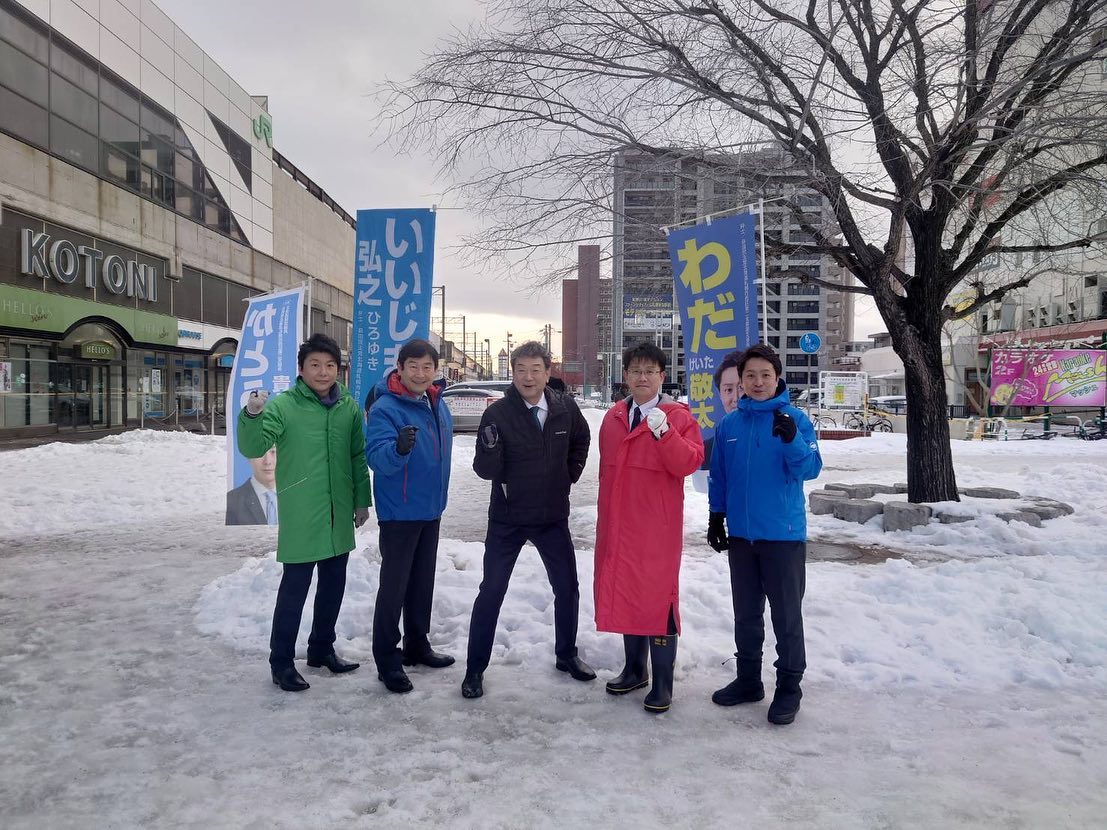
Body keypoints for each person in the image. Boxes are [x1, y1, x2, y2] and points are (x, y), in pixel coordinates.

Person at [237, 332, 372, 693]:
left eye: (329, 365)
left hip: (338, 511)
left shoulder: (347, 407)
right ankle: (280, 662)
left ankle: (321, 649)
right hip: (302, 510)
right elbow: (254, 445)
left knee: (333, 585)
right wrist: (252, 414)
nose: (323, 372)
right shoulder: (284, 405)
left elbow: (357, 456)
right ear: (301, 369)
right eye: (315, 364)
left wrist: (362, 499)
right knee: (294, 589)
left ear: (338, 369)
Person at [461, 340, 593, 699]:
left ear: (548, 373)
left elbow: (582, 439)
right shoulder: (498, 414)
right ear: (513, 373)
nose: (528, 377)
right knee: (492, 590)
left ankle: (566, 655)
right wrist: (490, 450)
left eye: (536, 370)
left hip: (552, 515)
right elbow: (484, 471)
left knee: (567, 587)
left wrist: (570, 473)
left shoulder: (565, 408)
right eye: (521, 370)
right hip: (509, 518)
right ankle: (475, 669)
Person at [707, 343, 822, 724]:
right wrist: (716, 517)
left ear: (777, 378)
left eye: (765, 375)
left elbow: (810, 469)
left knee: (786, 617)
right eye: (750, 376)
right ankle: (748, 680)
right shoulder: (730, 425)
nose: (758, 382)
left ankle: (789, 687)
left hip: (783, 536)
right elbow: (720, 476)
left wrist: (792, 441)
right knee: (746, 614)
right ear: (740, 381)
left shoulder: (795, 419)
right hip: (742, 537)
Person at [594, 343, 703, 714]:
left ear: (662, 376)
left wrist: (665, 433)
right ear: (626, 375)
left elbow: (688, 463)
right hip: (618, 525)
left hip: (657, 529)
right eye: (636, 371)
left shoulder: (677, 416)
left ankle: (662, 683)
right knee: (627, 591)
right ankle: (635, 670)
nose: (642, 377)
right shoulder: (613, 418)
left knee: (659, 600)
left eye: (650, 371)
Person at [364, 338, 454, 694]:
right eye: (412, 366)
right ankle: (387, 660)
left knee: (421, 583)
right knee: (394, 588)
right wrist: (398, 448)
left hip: (431, 508)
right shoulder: (386, 407)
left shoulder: (436, 402)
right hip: (400, 512)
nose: (420, 373)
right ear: (399, 368)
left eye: (426, 367)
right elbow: (377, 458)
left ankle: (417, 644)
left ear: (435, 370)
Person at [699, 349, 742, 470]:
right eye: (728, 390)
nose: (736, 398)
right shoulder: (709, 448)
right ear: (720, 394)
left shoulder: (773, 433)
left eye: (741, 388)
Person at [225, 447, 278, 525]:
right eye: (260, 452)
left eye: (273, 452)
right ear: (249, 456)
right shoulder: (231, 502)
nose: (267, 461)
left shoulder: (295, 498)